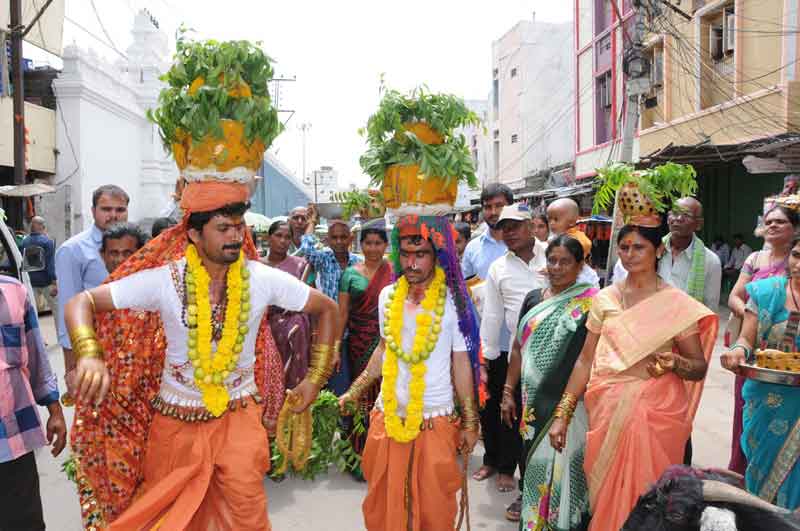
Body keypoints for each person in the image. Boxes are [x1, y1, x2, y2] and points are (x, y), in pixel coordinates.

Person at [64, 182, 340, 529]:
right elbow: (82, 303)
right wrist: (88, 353)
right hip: (176, 426)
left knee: (247, 519)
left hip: (239, 420)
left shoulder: (261, 279)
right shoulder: (166, 280)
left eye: (239, 227)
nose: (235, 237)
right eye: (223, 228)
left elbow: (327, 309)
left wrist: (314, 379)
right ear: (194, 234)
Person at [549, 222, 718, 531]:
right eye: (624, 247)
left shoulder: (676, 304)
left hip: (657, 414)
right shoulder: (605, 299)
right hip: (606, 409)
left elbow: (698, 366)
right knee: (604, 495)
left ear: (659, 250)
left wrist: (674, 363)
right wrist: (562, 413)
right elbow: (585, 360)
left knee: (651, 498)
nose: (629, 254)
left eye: (638, 246)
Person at [339, 215, 482, 531]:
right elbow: (384, 349)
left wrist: (470, 420)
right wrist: (355, 390)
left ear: (437, 255)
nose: (411, 262)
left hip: (434, 417)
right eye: (405, 254)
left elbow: (461, 363)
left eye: (421, 254)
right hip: (387, 416)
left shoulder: (453, 301)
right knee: (383, 507)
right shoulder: (387, 296)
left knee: (434, 512)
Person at [502, 235, 598, 531]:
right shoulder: (533, 299)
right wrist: (507, 391)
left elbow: (589, 357)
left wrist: (567, 408)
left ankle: (564, 524)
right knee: (533, 464)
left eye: (565, 261)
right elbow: (517, 347)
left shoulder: (593, 302)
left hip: (570, 401)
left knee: (566, 465)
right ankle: (533, 523)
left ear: (580, 265)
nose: (556, 267)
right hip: (532, 401)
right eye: (552, 260)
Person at [721, 234, 800, 510]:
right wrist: (738, 351)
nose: (798, 264)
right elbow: (746, 339)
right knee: (761, 467)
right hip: (765, 399)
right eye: (796, 255)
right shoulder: (765, 291)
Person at [480, 203, 548, 518]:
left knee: (551, 422)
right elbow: (493, 315)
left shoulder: (557, 254)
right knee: (517, 420)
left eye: (515, 226)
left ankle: (554, 492)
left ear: (533, 226)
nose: (509, 232)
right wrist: (488, 357)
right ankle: (524, 487)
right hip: (515, 355)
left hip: (557, 355)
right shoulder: (499, 268)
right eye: (504, 227)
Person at [0, 275, 67, 531]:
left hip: (15, 438)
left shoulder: (14, 291)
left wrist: (55, 409)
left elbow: (37, 355)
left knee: (25, 523)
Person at [56, 184, 129, 397]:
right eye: (106, 209)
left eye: (120, 210)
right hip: (92, 351)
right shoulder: (73, 250)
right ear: (93, 211)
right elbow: (67, 310)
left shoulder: (138, 246)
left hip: (133, 352)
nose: (114, 215)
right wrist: (71, 367)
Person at [337, 220, 393, 462]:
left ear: (385, 245)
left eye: (378, 243)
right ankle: (359, 453)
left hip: (387, 340)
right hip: (358, 343)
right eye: (368, 243)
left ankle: (384, 450)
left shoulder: (393, 271)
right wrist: (335, 347)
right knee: (359, 393)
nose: (372, 248)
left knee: (385, 391)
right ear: (361, 245)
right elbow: (342, 314)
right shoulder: (350, 274)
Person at [613, 198, 721, 312]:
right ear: (668, 219)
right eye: (675, 213)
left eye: (686, 215)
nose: (678, 219)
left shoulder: (710, 261)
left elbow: (710, 308)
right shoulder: (650, 250)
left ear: (699, 224)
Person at [301, 207, 362, 394]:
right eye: (334, 238)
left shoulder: (358, 262)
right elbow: (306, 248)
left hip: (355, 330)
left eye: (343, 237)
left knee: (355, 378)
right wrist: (311, 222)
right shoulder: (324, 259)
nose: (339, 242)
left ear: (350, 240)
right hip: (329, 329)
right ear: (328, 240)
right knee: (334, 379)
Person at [264, 219, 312, 389]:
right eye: (278, 236)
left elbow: (307, 300)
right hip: (264, 329)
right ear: (268, 238)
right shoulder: (257, 265)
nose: (283, 241)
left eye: (287, 237)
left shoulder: (300, 265)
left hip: (294, 330)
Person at [547, 198, 599, 287]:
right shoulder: (555, 238)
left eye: (556, 219)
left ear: (571, 222)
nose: (551, 223)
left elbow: (586, 244)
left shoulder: (577, 236)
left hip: (580, 276)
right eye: (549, 219)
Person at [21, 216, 58, 325]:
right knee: (56, 309)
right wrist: (54, 283)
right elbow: (50, 264)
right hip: (46, 281)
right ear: (42, 226)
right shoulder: (47, 242)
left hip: (31, 281)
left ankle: (39, 339)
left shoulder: (24, 242)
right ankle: (62, 338)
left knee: (33, 312)